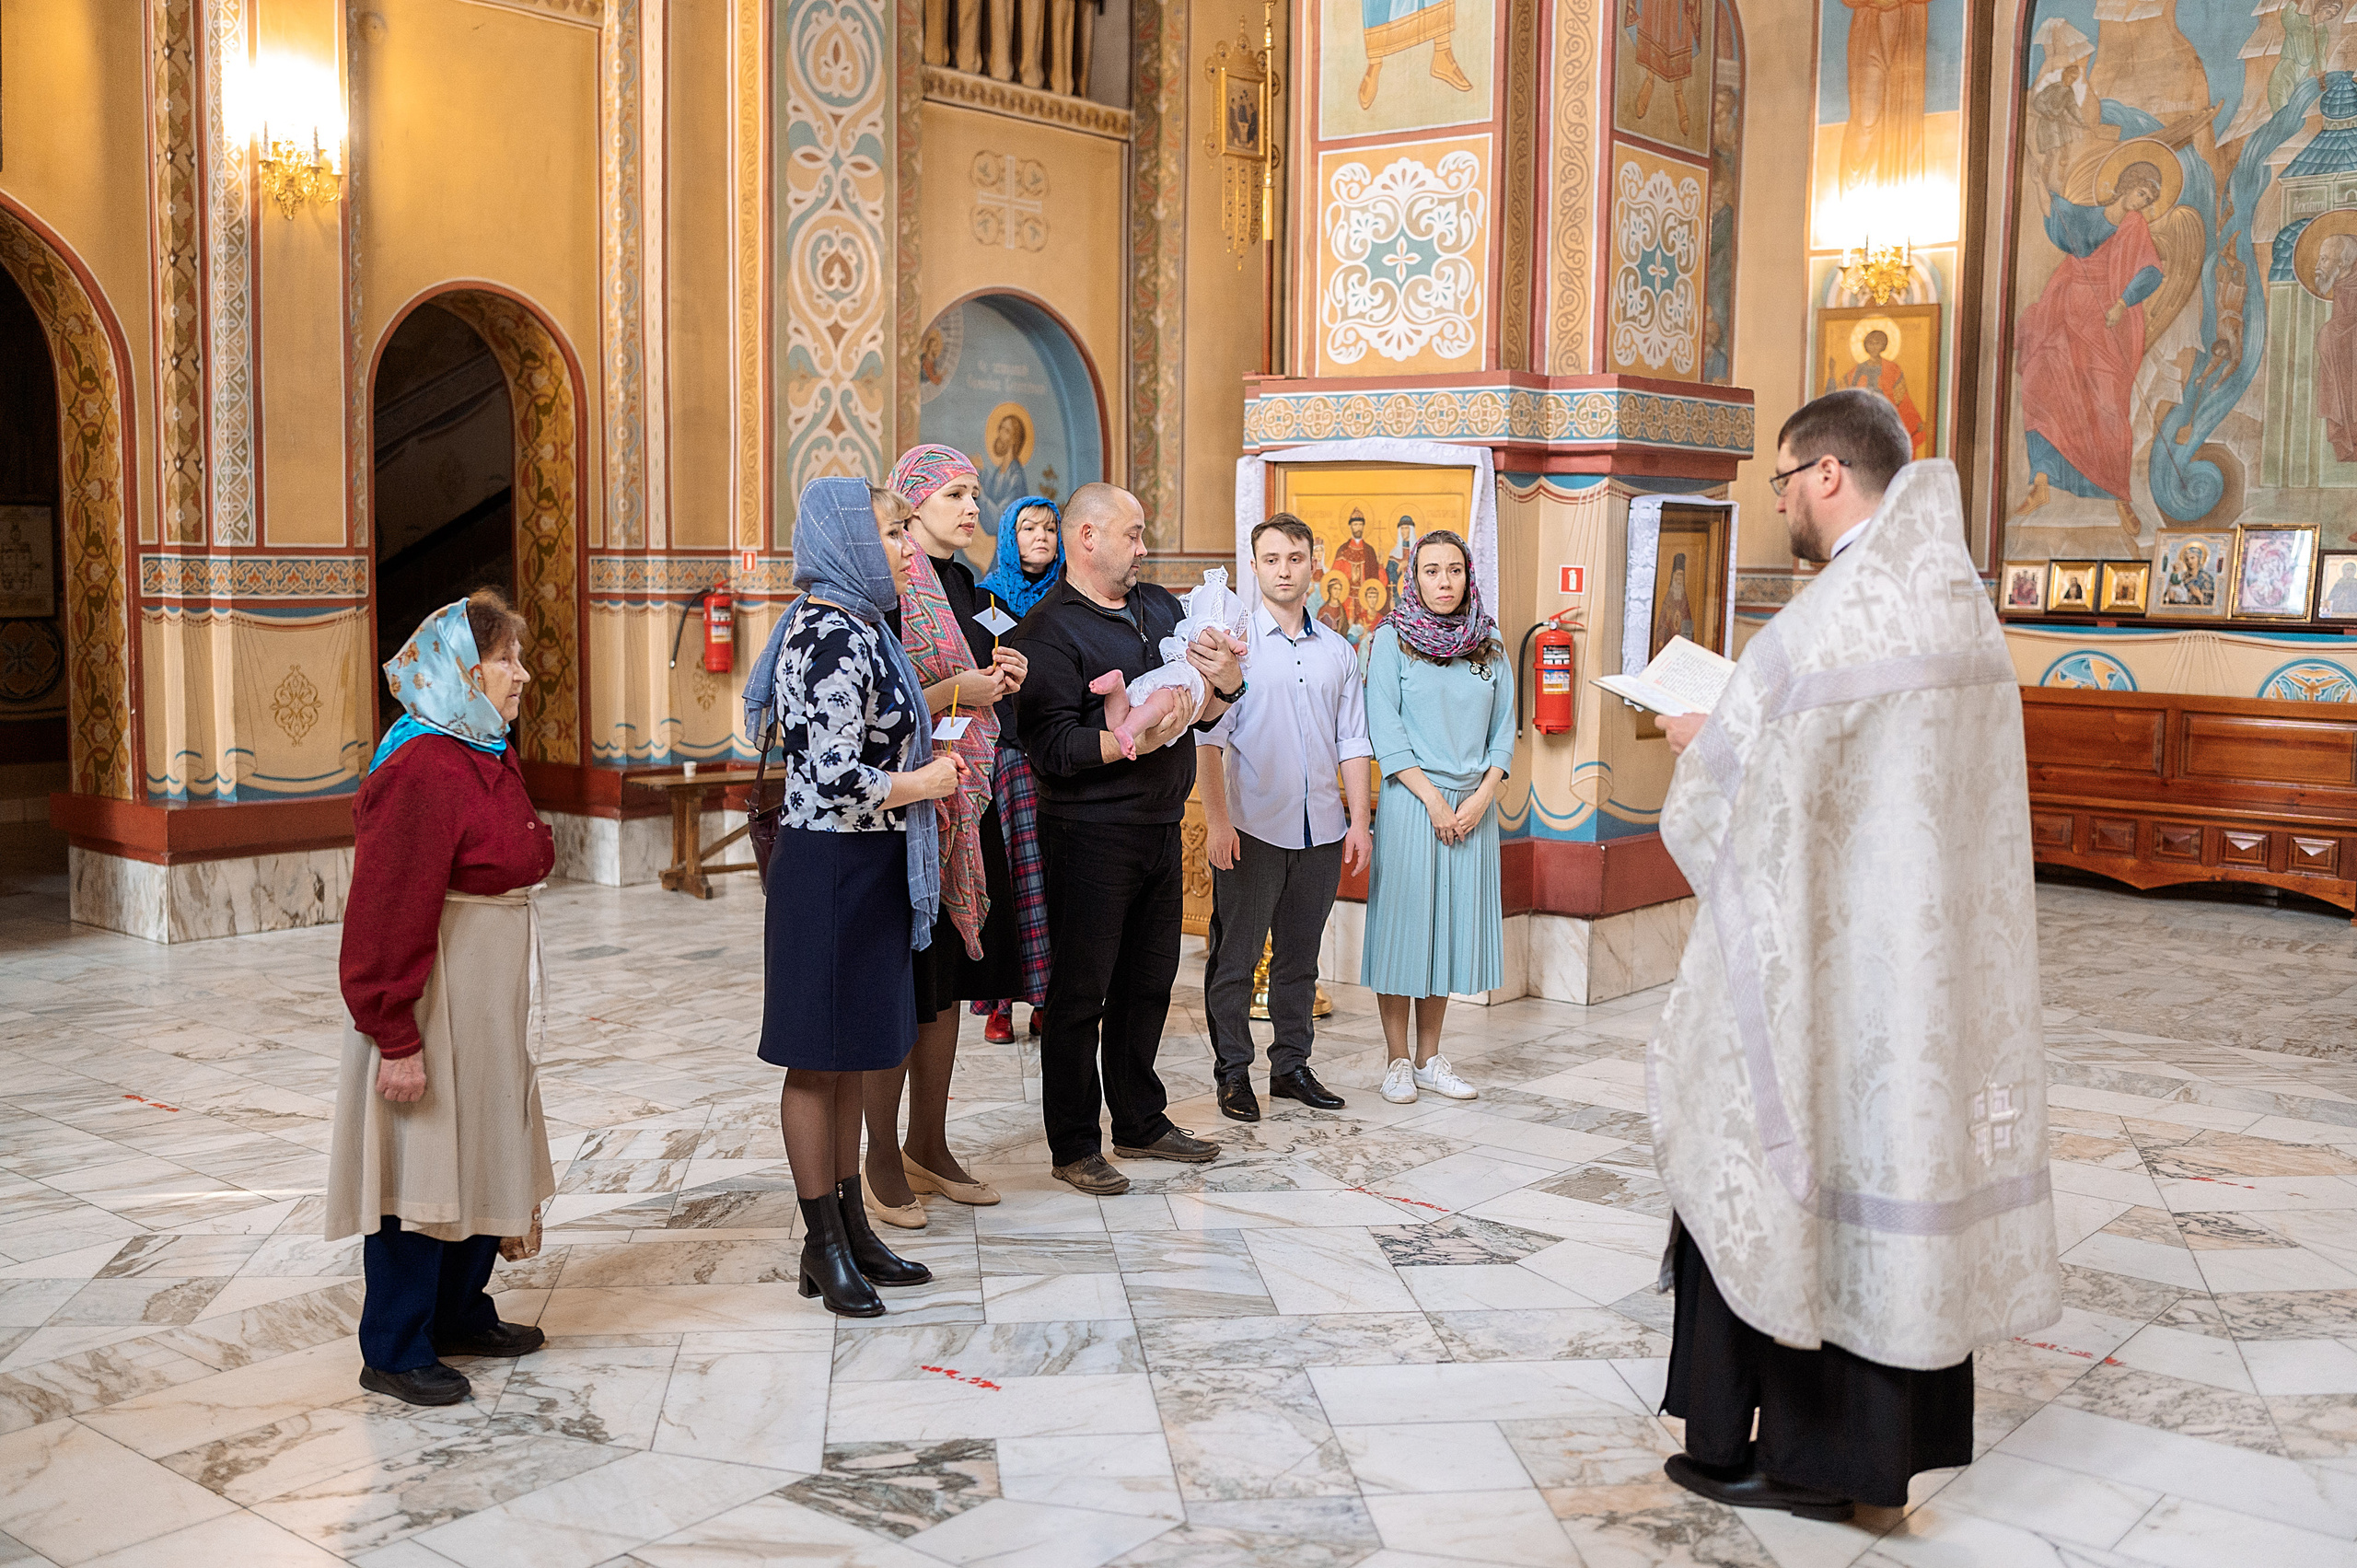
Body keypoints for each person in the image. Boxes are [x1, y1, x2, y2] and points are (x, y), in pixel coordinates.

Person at [1652, 389, 2058, 1520]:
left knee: (1770, 1147)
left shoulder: (1827, 621)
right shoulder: (1957, 603)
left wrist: (1701, 740)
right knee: (1903, 1165)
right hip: (1929, 979)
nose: (1779, 500)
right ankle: (1875, 1455)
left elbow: (1728, 805)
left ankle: (1782, 1453)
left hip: (1832, 975)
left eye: (1782, 479)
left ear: (1827, 473)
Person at [329, 589, 557, 1407]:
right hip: (434, 999)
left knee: (483, 1143)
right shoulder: (421, 764)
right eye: (505, 660)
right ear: (461, 670)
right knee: (420, 1165)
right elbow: (385, 909)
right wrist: (394, 1034)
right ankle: (395, 1345)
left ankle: (459, 1311)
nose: (520, 675)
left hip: (484, 1000)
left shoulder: (478, 745)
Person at [747, 477, 956, 1317]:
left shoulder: (861, 624)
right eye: (891, 532)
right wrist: (924, 782)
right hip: (830, 865)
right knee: (814, 1059)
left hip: (863, 863)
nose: (906, 548)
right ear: (848, 541)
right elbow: (834, 774)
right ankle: (822, 1243)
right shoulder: (831, 633)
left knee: (845, 1057)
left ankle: (851, 1230)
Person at [1013, 482, 1246, 1195]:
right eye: (1133, 533)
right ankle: (1074, 1142)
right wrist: (1129, 740)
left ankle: (1140, 1119)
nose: (1144, 547)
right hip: (1088, 833)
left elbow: (1204, 708)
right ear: (1087, 537)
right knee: (1080, 994)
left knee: (1148, 984)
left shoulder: (1161, 608)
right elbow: (1051, 747)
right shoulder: (1047, 631)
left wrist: (1227, 684)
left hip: (1159, 825)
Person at [859, 445, 1029, 1229]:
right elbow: (883, 705)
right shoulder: (891, 587)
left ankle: (928, 1143)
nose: (971, 507)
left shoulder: (965, 584)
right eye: (955, 493)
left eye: (975, 493)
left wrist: (1000, 679)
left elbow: (975, 682)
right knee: (904, 986)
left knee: (949, 986)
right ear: (914, 501)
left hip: (967, 800)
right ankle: (879, 1159)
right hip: (908, 808)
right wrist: (957, 689)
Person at [1199, 515, 1374, 1123]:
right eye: (1271, 559)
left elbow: (1353, 740)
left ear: (1313, 566)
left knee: (1300, 959)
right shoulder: (1233, 650)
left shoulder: (1339, 652)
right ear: (1254, 567)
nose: (1284, 570)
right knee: (1236, 958)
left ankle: (1291, 1066)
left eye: (1295, 558)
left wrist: (1357, 821)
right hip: (1251, 829)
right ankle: (1232, 1073)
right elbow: (1208, 743)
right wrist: (1217, 822)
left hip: (1321, 829)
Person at [1362, 529, 1514, 1106]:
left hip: (1474, 807)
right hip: (1412, 801)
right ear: (1414, 577)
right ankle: (1397, 1061)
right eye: (1432, 571)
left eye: (1454, 570)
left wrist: (1482, 797)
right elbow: (1385, 729)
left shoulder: (1489, 642)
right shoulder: (1391, 641)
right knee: (1404, 929)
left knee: (1446, 931)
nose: (1444, 582)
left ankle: (1429, 1058)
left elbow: (1505, 729)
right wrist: (1434, 801)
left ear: (1468, 576)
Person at [972, 495, 1065, 1044]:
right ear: (1009, 536)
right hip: (1007, 749)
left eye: (1050, 528)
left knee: (1054, 874)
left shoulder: (1068, 593)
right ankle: (999, 1000)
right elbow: (982, 671)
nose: (1041, 537)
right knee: (1008, 869)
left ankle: (1048, 996)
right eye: (1028, 528)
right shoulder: (988, 597)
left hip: (1060, 744)